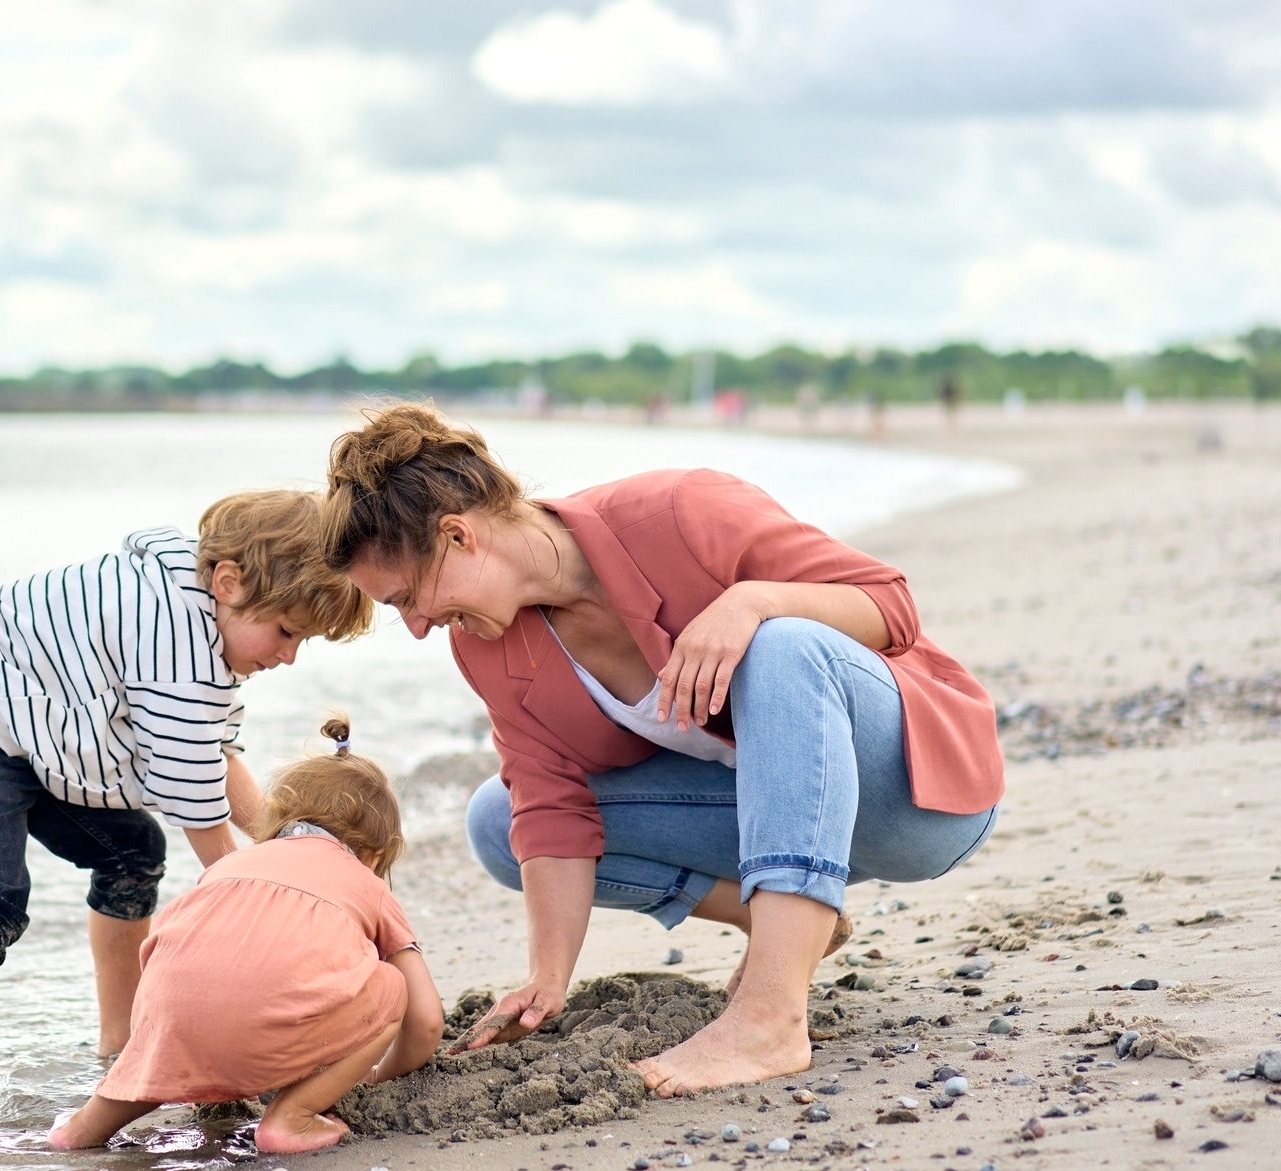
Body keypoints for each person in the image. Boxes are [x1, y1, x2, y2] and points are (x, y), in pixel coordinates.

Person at [319, 404, 1003, 1096]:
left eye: (408, 597)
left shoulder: (681, 511)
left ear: (459, 535)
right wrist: (546, 981)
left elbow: (890, 605)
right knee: (497, 819)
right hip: (767, 817)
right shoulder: (484, 643)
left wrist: (752, 603)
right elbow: (549, 802)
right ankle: (787, 928)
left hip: (910, 798)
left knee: (782, 644)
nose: (415, 627)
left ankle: (770, 1014)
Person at [0, 492, 374, 1139]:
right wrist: (254, 889)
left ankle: (119, 1046)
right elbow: (191, 787)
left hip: (38, 735)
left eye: (302, 640)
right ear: (228, 583)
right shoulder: (173, 629)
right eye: (286, 631)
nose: (289, 655)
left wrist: (290, 845)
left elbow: (215, 753)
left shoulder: (202, 631)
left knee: (130, 851)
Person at [49, 716, 444, 1155]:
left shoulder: (228, 866)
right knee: (390, 987)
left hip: (167, 1025)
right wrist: (379, 1076)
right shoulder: (363, 879)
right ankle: (290, 1119)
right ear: (374, 853)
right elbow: (426, 1021)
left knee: (163, 1046)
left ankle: (81, 1129)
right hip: (260, 1038)